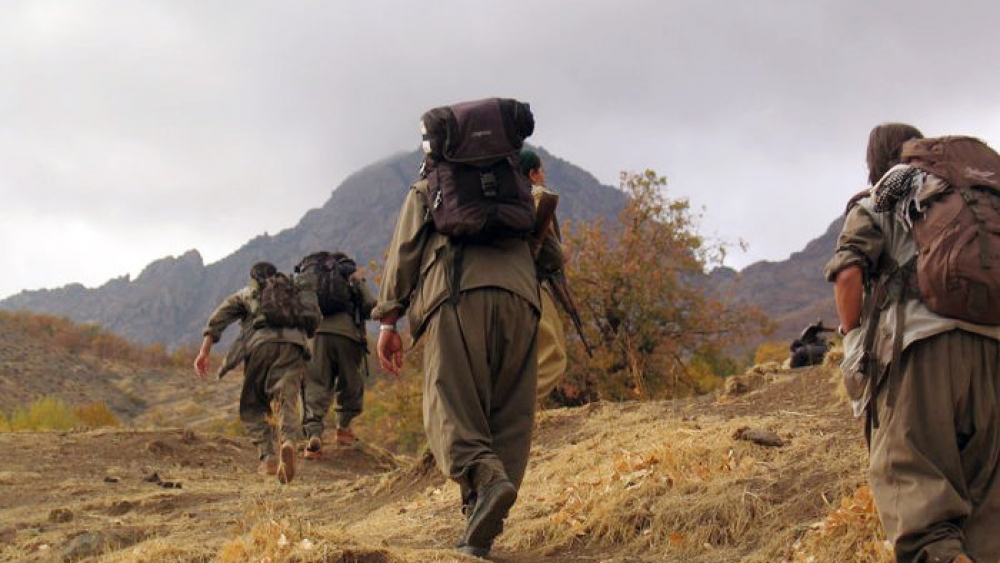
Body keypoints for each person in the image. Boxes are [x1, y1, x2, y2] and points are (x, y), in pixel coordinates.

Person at [825, 123, 1000, 563]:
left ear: (873, 163)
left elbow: (849, 274)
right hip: (992, 352)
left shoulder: (879, 199)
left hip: (920, 356)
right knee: (989, 510)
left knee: (920, 508)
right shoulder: (966, 197)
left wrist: (850, 335)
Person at [374, 116, 540, 557]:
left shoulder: (430, 187)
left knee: (448, 403)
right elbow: (552, 254)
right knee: (509, 412)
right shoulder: (518, 184)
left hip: (456, 294)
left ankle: (486, 481)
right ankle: (479, 525)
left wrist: (389, 321)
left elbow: (405, 251)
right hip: (523, 300)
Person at [193, 261, 318, 485]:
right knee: (286, 398)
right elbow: (313, 319)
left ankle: (268, 457)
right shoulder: (292, 291)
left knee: (253, 404)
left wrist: (204, 352)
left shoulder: (248, 293)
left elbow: (218, 319)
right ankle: (288, 440)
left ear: (253, 277)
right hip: (294, 346)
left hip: (260, 346)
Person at [301, 256, 376, 457]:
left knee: (316, 384)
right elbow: (370, 304)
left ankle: (313, 436)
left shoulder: (311, 278)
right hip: (347, 334)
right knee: (350, 382)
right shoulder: (349, 275)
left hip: (316, 336)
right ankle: (343, 428)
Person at [520, 148, 569, 402]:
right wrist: (562, 252)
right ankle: (516, 412)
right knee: (553, 356)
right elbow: (551, 256)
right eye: (541, 170)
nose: (544, 175)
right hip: (529, 285)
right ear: (532, 173)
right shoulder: (537, 197)